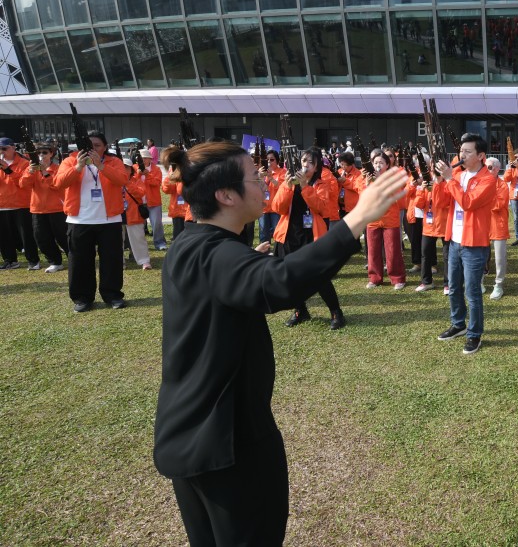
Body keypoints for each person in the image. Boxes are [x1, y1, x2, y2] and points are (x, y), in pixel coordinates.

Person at [153, 140, 406, 545]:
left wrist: (246, 260)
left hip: (187, 436)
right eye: (253, 178)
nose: (263, 183)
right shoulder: (217, 257)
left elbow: (233, 280)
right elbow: (281, 282)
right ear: (226, 195)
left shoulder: (190, 244)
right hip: (227, 446)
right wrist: (358, 217)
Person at [53, 132, 130, 312]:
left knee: (112, 261)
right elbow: (58, 183)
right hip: (79, 220)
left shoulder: (114, 161)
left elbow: (122, 180)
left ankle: (112, 295)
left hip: (109, 220)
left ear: (104, 147)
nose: (92, 148)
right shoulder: (70, 161)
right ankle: (82, 297)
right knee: (80, 261)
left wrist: (101, 166)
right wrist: (78, 167)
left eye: (97, 145)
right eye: (89, 145)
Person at [435, 134, 496, 355]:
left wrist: (450, 179)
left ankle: (474, 334)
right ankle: (458, 323)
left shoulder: (488, 179)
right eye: (461, 150)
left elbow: (468, 203)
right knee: (453, 288)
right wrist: (440, 180)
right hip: (454, 240)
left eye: (468, 151)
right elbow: (441, 202)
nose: (462, 154)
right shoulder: (457, 175)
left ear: (481, 156)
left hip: (474, 243)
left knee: (472, 292)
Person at [272, 149, 345, 329]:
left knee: (319, 277)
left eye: (310, 162)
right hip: (289, 235)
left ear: (317, 166)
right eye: (304, 160)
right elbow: (277, 207)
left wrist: (305, 187)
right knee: (291, 276)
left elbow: (323, 208)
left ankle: (336, 312)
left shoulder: (323, 182)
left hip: (312, 236)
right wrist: (288, 187)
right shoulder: (288, 180)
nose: (305, 165)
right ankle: (300, 310)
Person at [356, 152, 407, 290]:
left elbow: (398, 196)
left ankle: (397, 278)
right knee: (373, 251)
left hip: (390, 218)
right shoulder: (365, 177)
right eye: (376, 163)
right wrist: (367, 184)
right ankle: (374, 278)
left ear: (387, 165)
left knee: (392, 250)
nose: (378, 165)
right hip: (373, 218)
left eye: (381, 163)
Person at [19, 143, 67, 272]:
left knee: (63, 236)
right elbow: (22, 184)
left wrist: (44, 171)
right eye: (38, 153)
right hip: (38, 208)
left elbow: (56, 185)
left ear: (51, 154)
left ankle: (74, 258)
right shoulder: (31, 169)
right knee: (41, 238)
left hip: (57, 209)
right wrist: (30, 171)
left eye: (44, 152)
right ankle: (55, 261)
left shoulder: (58, 168)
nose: (41, 155)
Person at [0, 136, 40, 270]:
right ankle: (10, 260)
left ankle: (33, 260)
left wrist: (8, 170)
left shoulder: (24, 163)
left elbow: (23, 183)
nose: (2, 151)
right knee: (4, 236)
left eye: (4, 148)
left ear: (13, 148)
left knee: (26, 235)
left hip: (21, 204)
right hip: (2, 205)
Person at [485, 157, 509, 299]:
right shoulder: (480, 183)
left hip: (498, 225)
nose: (486, 170)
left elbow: (498, 205)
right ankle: (480, 281)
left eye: (489, 168)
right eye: (485, 167)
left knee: (499, 258)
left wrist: (485, 198)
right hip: (482, 224)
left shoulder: (503, 185)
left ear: (496, 169)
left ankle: (498, 285)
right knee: (480, 256)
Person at [122, 159, 153, 270]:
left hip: (133, 214)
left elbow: (140, 193)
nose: (124, 169)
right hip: (117, 213)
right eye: (122, 167)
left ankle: (144, 261)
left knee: (138, 238)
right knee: (116, 240)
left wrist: (127, 183)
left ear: (131, 169)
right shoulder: (113, 180)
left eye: (126, 167)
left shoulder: (136, 180)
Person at [140, 152, 167, 251]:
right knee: (138, 226)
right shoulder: (135, 168)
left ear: (150, 159)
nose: (143, 160)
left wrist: (148, 175)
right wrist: (139, 174)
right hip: (138, 202)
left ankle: (160, 243)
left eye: (145, 158)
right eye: (141, 158)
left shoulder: (156, 169)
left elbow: (157, 183)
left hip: (154, 201)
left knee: (156, 224)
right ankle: (140, 246)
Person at [503, 149, 518, 245]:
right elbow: (506, 179)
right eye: (515, 157)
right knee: (516, 218)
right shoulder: (511, 167)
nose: (517, 159)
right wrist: (509, 168)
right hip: (514, 195)